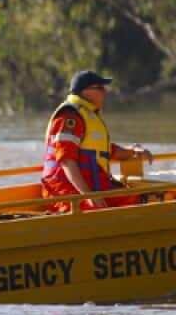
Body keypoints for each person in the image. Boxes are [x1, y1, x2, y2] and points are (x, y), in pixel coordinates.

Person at [40, 70, 154, 213]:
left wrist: (132, 151)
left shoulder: (87, 114)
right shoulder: (69, 117)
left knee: (138, 199)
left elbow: (105, 151)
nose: (105, 91)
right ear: (86, 93)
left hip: (92, 186)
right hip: (64, 189)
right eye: (100, 88)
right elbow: (66, 160)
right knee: (100, 210)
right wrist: (89, 195)